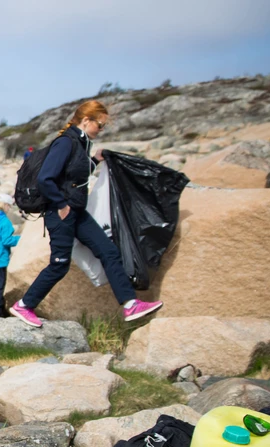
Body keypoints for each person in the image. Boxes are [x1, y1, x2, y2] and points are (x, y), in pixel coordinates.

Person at [8, 100, 163, 327]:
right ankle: (24, 305)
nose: (101, 130)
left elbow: (73, 176)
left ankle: (130, 304)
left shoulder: (80, 143)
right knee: (59, 264)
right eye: (99, 125)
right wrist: (61, 205)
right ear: (86, 120)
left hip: (77, 212)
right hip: (60, 213)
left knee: (109, 251)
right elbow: (45, 178)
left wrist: (96, 160)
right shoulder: (65, 142)